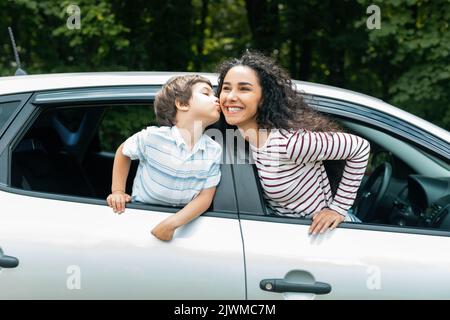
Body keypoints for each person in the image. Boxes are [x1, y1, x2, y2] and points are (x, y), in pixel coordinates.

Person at [217, 51, 370, 235]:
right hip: (294, 235)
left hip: (327, 234)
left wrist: (338, 208)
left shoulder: (288, 143)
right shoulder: (240, 138)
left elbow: (359, 147)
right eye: (226, 88)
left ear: (264, 97)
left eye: (244, 89)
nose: (231, 96)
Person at [106, 75, 222, 241]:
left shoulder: (213, 150)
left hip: (181, 224)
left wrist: (173, 223)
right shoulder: (153, 137)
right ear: (182, 104)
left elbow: (205, 197)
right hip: (139, 215)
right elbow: (123, 152)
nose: (216, 98)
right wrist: (118, 191)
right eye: (206, 94)